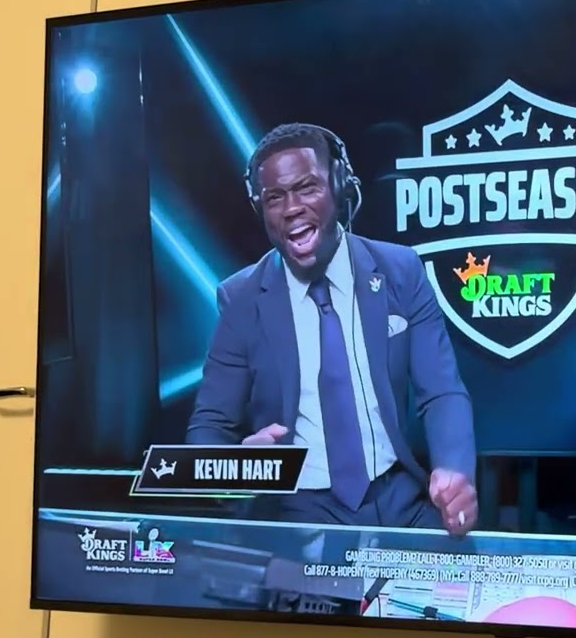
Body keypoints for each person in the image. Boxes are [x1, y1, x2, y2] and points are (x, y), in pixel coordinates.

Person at [186, 122, 477, 534]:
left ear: (339, 187)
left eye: (307, 188)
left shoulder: (400, 270)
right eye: (275, 197)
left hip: (400, 498)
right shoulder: (241, 299)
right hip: (297, 511)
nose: (291, 208)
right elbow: (209, 429)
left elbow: (442, 391)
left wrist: (454, 470)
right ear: (259, 208)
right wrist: (235, 468)